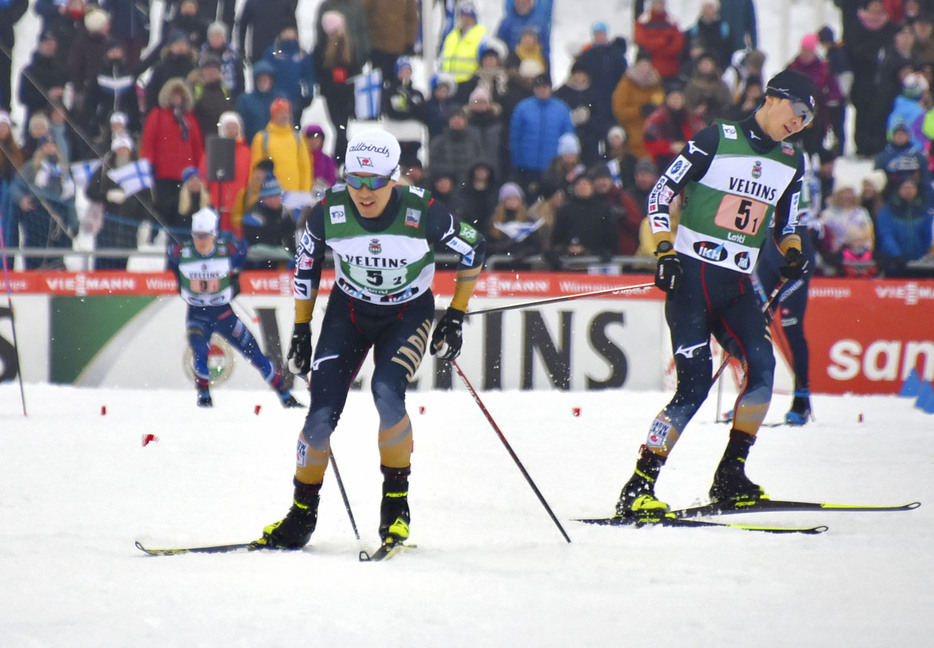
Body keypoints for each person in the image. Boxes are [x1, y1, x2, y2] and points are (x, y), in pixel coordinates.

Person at [254, 128, 485, 551]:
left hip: (407, 313)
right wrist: (302, 329)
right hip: (350, 313)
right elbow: (306, 266)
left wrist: (455, 315)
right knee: (321, 414)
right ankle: (301, 515)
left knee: (386, 391)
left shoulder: (422, 210)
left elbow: (474, 247)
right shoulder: (328, 211)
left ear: (393, 178)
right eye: (353, 179)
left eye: (374, 181)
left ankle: (396, 509)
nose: (363, 191)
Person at [614, 69, 816, 519]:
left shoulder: (791, 160)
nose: (799, 123)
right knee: (693, 388)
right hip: (691, 279)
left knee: (762, 371)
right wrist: (664, 250)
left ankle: (730, 476)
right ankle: (638, 485)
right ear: (772, 98)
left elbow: (787, 225)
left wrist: (794, 252)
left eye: (808, 120)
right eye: (797, 112)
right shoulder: (717, 137)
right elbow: (662, 191)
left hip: (738, 286)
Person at [168, 207, 302, 408]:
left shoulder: (227, 251)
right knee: (199, 350)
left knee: (254, 354)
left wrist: (235, 279)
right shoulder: (181, 253)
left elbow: (244, 250)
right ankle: (204, 397)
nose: (200, 241)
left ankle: (285, 395)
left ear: (214, 235)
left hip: (223, 314)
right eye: (196, 236)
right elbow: (170, 265)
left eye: (205, 236)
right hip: (197, 314)